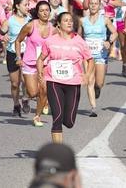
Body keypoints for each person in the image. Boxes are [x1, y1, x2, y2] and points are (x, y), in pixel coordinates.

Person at [38, 12, 94, 143]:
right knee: (57, 118)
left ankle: (65, 118)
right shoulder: (50, 41)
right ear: (58, 24)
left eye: (71, 20)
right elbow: (40, 59)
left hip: (73, 83)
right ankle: (58, 152)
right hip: (54, 81)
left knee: (68, 122)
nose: (69, 23)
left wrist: (87, 75)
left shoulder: (79, 41)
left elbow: (90, 60)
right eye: (65, 20)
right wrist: (40, 74)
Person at [15, 1, 54, 127]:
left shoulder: (53, 29)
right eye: (42, 10)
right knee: (33, 93)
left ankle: (37, 116)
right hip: (30, 63)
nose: (44, 12)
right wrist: (18, 57)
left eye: (47, 10)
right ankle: (27, 97)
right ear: (37, 13)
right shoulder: (31, 26)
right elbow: (18, 40)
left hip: (45, 65)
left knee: (44, 90)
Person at [78, 0, 117, 117]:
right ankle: (93, 107)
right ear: (88, 5)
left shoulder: (105, 19)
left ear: (99, 5)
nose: (93, 5)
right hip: (87, 55)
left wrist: (109, 42)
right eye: (91, 3)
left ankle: (97, 88)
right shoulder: (82, 21)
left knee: (99, 83)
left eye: (96, 3)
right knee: (89, 80)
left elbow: (115, 33)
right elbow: (78, 37)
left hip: (101, 54)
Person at [0, 0, 30, 116]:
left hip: (27, 53)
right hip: (12, 53)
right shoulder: (9, 21)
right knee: (15, 83)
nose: (27, 7)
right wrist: (3, 37)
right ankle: (16, 105)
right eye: (25, 5)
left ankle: (25, 98)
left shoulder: (30, 20)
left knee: (26, 80)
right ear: (17, 6)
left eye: (28, 5)